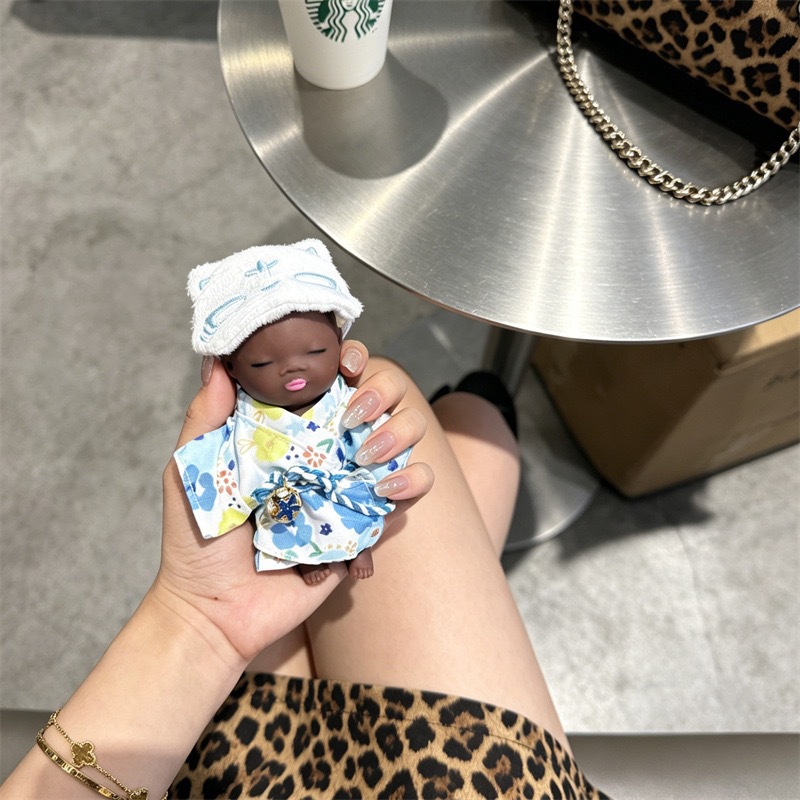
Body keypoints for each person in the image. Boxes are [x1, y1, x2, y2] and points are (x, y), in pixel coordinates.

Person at [0, 344, 609, 799]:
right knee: (475, 428)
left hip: (222, 756)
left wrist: (197, 621)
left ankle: (482, 403)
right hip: (459, 778)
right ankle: (485, 403)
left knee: (445, 422)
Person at [175, 240, 411, 585]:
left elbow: (374, 451)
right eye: (262, 363)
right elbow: (230, 473)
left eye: (316, 352)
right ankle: (304, 560)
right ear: (231, 367)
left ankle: (360, 547)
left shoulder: (344, 403)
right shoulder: (242, 427)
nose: (293, 368)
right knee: (288, 528)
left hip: (344, 492)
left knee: (366, 495)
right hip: (287, 508)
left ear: (339, 340)